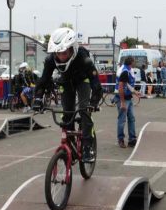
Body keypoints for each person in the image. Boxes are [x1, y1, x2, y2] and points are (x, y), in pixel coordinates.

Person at [34, 27, 103, 163]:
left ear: (73, 48)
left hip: (83, 81)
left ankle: (87, 147)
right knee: (67, 115)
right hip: (66, 82)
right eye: (58, 53)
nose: (61, 56)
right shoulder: (50, 60)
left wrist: (94, 102)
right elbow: (43, 80)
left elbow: (96, 84)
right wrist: (37, 99)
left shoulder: (83, 58)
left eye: (64, 52)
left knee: (84, 111)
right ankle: (69, 145)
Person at [115, 56, 139, 148]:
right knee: (122, 120)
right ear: (131, 62)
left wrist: (135, 92)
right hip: (123, 98)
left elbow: (127, 84)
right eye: (134, 61)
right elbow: (120, 87)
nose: (135, 63)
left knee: (131, 118)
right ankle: (121, 139)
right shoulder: (125, 71)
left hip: (128, 97)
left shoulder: (128, 70)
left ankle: (132, 139)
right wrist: (123, 102)